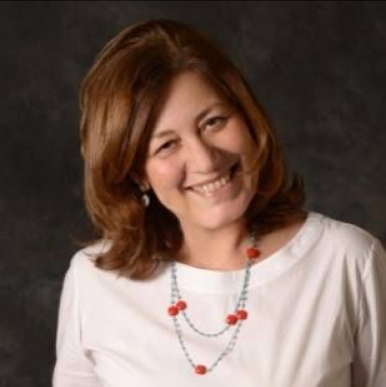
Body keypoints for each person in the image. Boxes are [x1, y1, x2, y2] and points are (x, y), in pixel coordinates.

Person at [52, 19, 386, 387]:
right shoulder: (93, 281)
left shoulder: (346, 261)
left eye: (213, 122)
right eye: (166, 144)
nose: (205, 159)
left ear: (247, 118)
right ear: (136, 173)